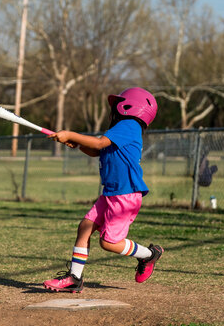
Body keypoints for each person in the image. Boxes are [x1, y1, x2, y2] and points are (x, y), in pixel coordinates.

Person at [43, 87, 163, 293]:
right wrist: (76, 143)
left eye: (117, 105)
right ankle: (74, 277)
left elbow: (99, 143)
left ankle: (149, 255)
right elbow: (97, 150)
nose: (113, 110)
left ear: (130, 107)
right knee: (85, 227)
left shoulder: (129, 125)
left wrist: (71, 134)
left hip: (125, 194)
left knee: (108, 243)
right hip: (112, 193)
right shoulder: (122, 129)